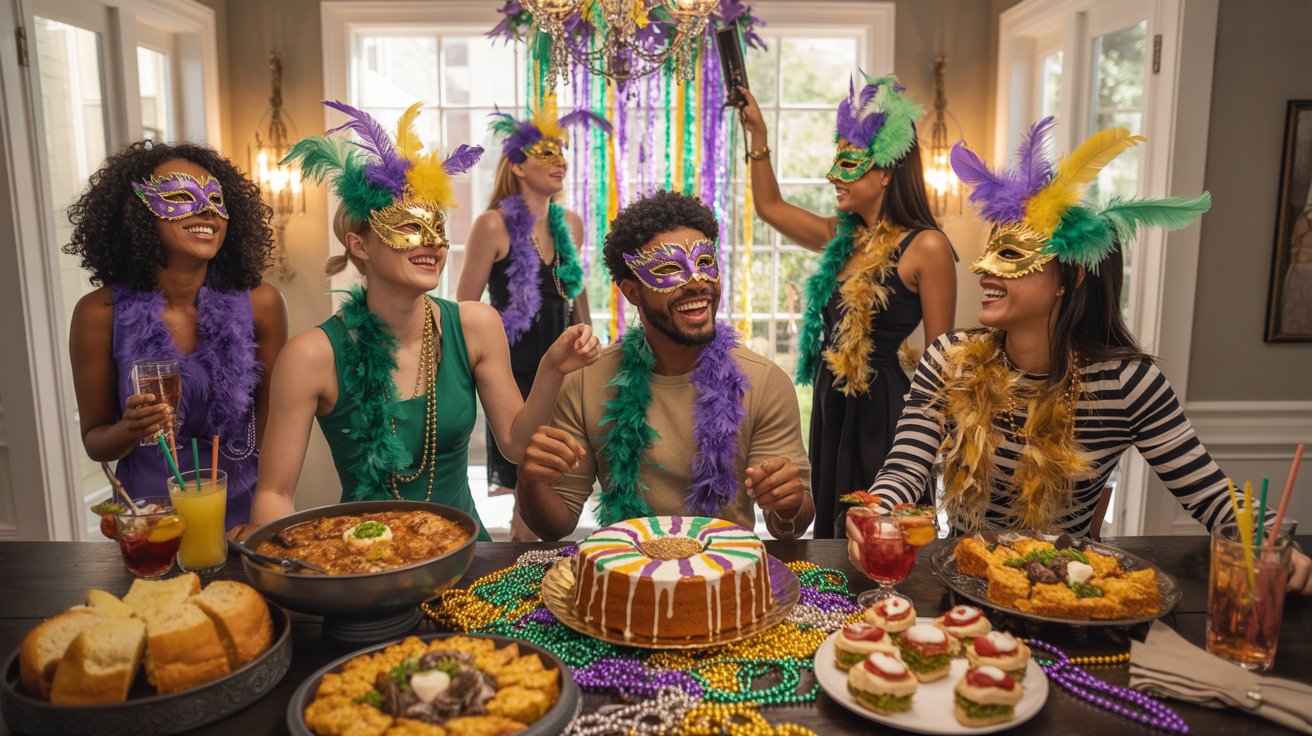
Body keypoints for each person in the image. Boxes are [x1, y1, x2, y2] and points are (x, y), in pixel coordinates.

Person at [844, 117, 1312, 594]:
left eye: (1011, 256)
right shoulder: (949, 360)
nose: (984, 269)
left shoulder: (1128, 384)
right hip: (963, 583)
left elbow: (1210, 494)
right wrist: (877, 510)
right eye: (989, 252)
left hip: (1067, 592)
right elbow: (906, 464)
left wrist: (1274, 542)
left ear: (1070, 279)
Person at [250, 102, 600, 540]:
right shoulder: (310, 356)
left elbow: (514, 443)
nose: (431, 243)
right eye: (408, 227)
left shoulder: (476, 326)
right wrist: (279, 545)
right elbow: (274, 493)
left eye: (436, 224)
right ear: (359, 245)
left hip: (468, 557)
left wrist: (550, 368)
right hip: (364, 562)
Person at [516, 190, 814, 540]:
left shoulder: (763, 382)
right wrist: (529, 480)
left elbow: (790, 528)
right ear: (632, 292)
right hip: (625, 574)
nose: (697, 282)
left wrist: (789, 504)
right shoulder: (586, 381)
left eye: (705, 262)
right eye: (670, 269)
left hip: (726, 577)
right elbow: (555, 524)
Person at [737, 73, 957, 538]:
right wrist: (758, 136)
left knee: (879, 527)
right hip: (832, 398)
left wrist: (941, 445)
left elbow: (943, 359)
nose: (834, 175)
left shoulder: (927, 247)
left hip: (885, 406)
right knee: (835, 528)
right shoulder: (841, 238)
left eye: (849, 164)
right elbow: (771, 207)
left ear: (885, 172)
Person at [66, 141, 287, 534]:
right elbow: (95, 441)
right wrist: (129, 429)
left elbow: (276, 433)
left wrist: (264, 520)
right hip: (151, 525)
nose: (207, 211)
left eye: (217, 200)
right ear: (137, 214)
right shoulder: (98, 314)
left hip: (243, 518)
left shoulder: (262, 304)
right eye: (182, 197)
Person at [456, 97, 605, 514]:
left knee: (561, 474)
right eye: (546, 153)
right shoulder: (493, 225)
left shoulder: (570, 223)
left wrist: (591, 348)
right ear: (518, 166)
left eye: (562, 152)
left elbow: (574, 290)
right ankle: (527, 557)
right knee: (528, 469)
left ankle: (536, 553)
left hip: (563, 361)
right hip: (513, 365)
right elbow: (465, 305)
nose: (560, 161)